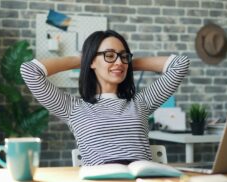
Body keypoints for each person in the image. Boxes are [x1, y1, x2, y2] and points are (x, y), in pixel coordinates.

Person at [20, 30, 190, 166]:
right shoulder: (73, 108)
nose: (118, 62)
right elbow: (29, 71)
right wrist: (83, 59)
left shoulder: (141, 103)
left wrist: (126, 64)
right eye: (109, 55)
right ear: (92, 61)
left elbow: (180, 65)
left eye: (124, 56)